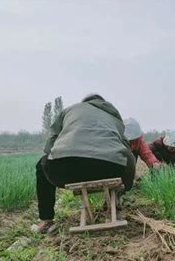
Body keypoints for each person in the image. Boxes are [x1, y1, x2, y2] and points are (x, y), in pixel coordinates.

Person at [35, 94, 136, 233]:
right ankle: (114, 203)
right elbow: (125, 149)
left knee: (41, 165)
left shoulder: (70, 110)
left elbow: (49, 146)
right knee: (123, 157)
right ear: (103, 103)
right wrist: (126, 185)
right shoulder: (114, 116)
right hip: (109, 169)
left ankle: (46, 221)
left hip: (64, 170)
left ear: (84, 103)